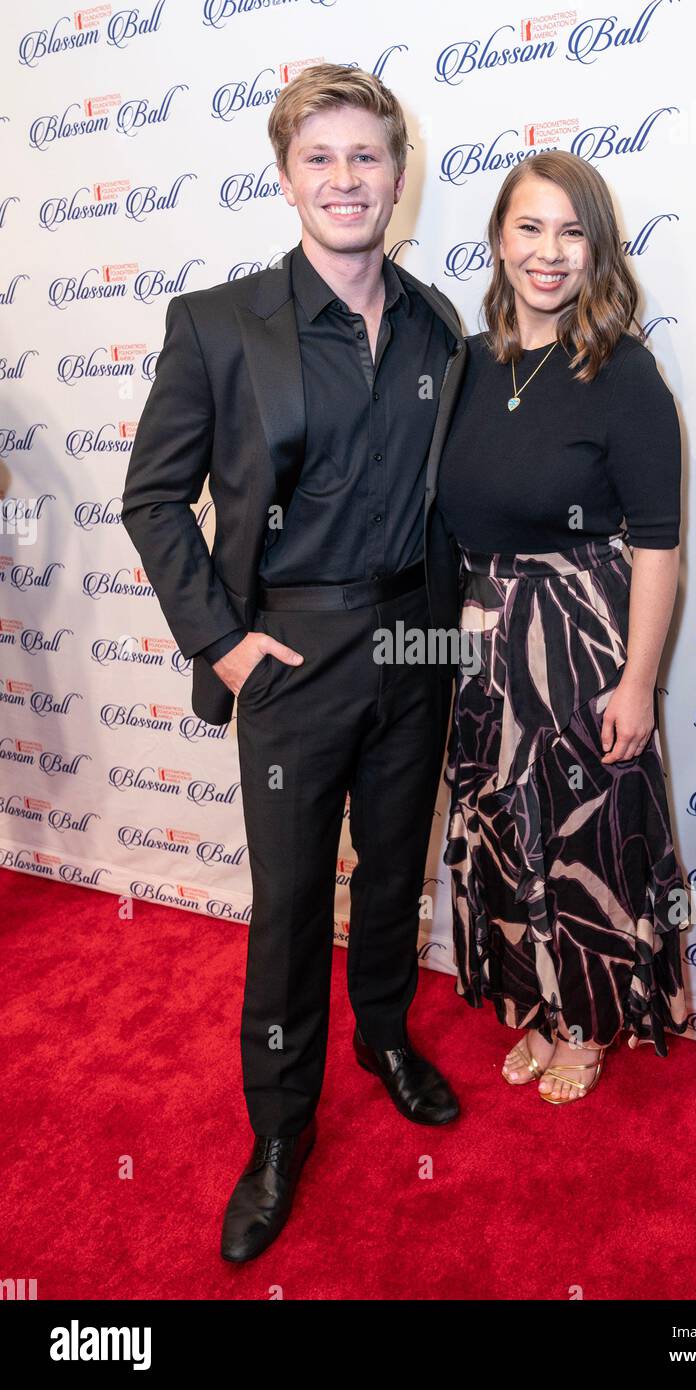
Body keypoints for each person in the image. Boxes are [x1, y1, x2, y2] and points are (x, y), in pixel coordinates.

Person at [120, 63, 469, 1262]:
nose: (344, 179)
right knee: (284, 907)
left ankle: (383, 1035)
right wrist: (219, 642)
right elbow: (154, 496)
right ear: (284, 179)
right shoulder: (217, 325)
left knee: (389, 874)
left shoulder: (435, 324)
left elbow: (446, 495)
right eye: (318, 159)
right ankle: (279, 1129)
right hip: (285, 653)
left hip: (413, 641)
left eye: (364, 156)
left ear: (397, 173)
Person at [436, 150, 692, 1105]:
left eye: (571, 231)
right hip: (483, 640)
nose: (549, 252)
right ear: (501, 239)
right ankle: (537, 1007)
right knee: (505, 831)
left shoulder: (623, 372)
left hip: (583, 640)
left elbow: (659, 544)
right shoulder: (466, 363)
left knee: (582, 843)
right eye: (530, 227)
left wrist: (638, 682)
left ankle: (586, 1017)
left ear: (598, 249)